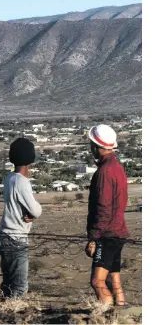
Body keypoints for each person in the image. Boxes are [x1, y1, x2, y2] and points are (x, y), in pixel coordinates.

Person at [85, 124, 128, 307]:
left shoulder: (104, 172)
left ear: (95, 145)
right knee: (113, 278)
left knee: (97, 281)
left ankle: (109, 317)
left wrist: (93, 238)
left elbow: (103, 208)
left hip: (107, 234)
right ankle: (123, 313)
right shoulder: (117, 167)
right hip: (118, 231)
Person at [0, 137, 42, 299]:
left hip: (3, 235)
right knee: (20, 286)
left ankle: (2, 311)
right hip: (15, 237)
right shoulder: (22, 182)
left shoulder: (9, 178)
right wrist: (34, 213)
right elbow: (35, 210)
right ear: (30, 158)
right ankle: (13, 314)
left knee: (8, 283)